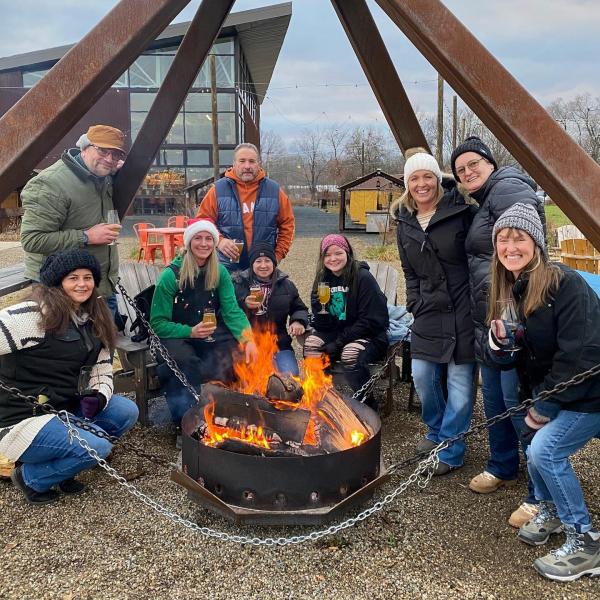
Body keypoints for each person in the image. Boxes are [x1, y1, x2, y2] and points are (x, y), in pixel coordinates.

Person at [486, 203, 600, 582]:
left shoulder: (565, 283)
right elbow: (529, 353)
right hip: (552, 393)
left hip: (589, 394)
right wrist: (505, 345)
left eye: (518, 238)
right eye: (503, 240)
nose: (510, 246)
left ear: (536, 243)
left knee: (545, 450)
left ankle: (584, 540)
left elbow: (581, 354)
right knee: (532, 442)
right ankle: (549, 509)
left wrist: (545, 405)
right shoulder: (519, 289)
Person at [450, 135, 545, 527]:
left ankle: (541, 492)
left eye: (473, 164)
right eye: (460, 170)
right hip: (486, 320)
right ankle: (502, 465)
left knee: (518, 404)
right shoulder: (484, 199)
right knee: (494, 401)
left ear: (490, 163)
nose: (468, 172)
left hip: (511, 321)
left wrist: (518, 310)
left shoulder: (508, 189)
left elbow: (527, 248)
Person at [0, 249, 138, 505]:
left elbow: (103, 368)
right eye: (73, 278)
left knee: (126, 411)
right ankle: (30, 477)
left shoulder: (94, 317)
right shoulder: (33, 316)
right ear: (58, 282)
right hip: (21, 419)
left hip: (63, 409)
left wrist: (99, 395)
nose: (82, 284)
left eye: (87, 277)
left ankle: (68, 465)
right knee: (99, 446)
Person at [392, 152, 476, 475]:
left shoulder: (461, 213)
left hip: (461, 308)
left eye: (427, 176)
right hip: (427, 311)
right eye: (414, 179)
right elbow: (408, 271)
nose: (422, 183)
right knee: (423, 376)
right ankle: (437, 430)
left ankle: (451, 449)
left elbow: (475, 259)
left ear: (437, 179)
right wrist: (414, 302)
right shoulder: (404, 222)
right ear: (407, 185)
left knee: (459, 382)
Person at [149, 219, 258, 443]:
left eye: (209, 239)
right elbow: (157, 323)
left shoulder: (220, 274)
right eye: (198, 238)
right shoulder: (171, 276)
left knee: (234, 352)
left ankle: (224, 415)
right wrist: (189, 331)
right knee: (183, 360)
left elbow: (232, 312)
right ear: (189, 243)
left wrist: (248, 340)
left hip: (205, 332)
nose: (204, 243)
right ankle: (185, 424)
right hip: (175, 333)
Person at [20, 125, 127, 316]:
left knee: (105, 343)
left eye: (116, 154)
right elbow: (32, 240)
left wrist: (118, 173)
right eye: (102, 150)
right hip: (60, 289)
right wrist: (86, 236)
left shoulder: (101, 176)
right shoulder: (51, 183)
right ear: (85, 148)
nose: (109, 159)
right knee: (67, 345)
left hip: (99, 286)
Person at [303, 234, 389, 409]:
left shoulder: (363, 277)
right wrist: (318, 307)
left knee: (349, 354)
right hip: (338, 334)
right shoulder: (322, 279)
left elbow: (371, 320)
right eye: (327, 255)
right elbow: (322, 325)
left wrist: (339, 343)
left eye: (338, 253)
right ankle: (324, 400)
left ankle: (367, 405)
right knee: (311, 346)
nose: (333, 259)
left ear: (347, 253)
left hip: (370, 335)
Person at [196, 142, 295, 272]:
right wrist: (219, 241)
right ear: (234, 163)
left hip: (262, 267)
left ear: (258, 164)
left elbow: (288, 225)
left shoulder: (274, 190)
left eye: (252, 161)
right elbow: (202, 223)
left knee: (261, 293)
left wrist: (277, 256)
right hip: (226, 266)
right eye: (242, 161)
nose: (247, 166)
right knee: (228, 293)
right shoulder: (218, 190)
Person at [232, 241, 308, 376]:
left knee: (290, 378)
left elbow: (300, 308)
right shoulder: (238, 284)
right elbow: (226, 312)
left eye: (267, 260)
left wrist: (298, 321)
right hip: (249, 343)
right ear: (252, 264)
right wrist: (244, 304)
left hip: (280, 344)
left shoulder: (286, 285)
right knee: (252, 380)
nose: (263, 265)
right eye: (258, 261)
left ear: (274, 263)